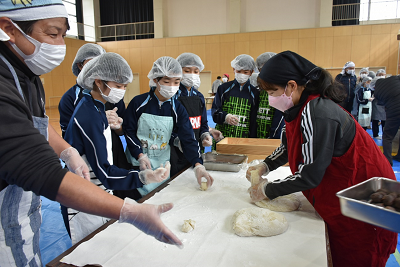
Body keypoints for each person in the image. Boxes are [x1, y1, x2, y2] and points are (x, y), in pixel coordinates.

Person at [0, 2, 181, 265]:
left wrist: (67, 150)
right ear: (9, 29)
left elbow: (37, 123)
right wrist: (134, 195)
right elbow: (92, 171)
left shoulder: (32, 79)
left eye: (63, 34)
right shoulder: (87, 113)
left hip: (41, 208)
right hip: (75, 205)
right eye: (52, 34)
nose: (60, 44)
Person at [247, 51, 397, 267]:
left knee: (357, 255)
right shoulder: (299, 107)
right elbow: (290, 144)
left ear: (291, 86)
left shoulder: (317, 113)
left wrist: (266, 190)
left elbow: (310, 174)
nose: (271, 98)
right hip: (339, 197)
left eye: (273, 91)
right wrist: (266, 165)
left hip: (361, 204)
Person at [64, 52, 171, 244]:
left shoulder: (97, 107)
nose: (121, 91)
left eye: (124, 86)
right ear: (98, 82)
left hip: (97, 190)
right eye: (117, 86)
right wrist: (143, 176)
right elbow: (104, 172)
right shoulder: (89, 115)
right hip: (83, 195)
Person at [123, 56, 214, 196]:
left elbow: (188, 138)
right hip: (136, 165)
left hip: (162, 167)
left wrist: (198, 165)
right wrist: (140, 155)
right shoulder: (138, 103)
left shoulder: (177, 109)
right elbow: (129, 131)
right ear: (155, 80)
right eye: (166, 81)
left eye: (176, 82)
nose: (171, 86)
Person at [171, 53, 222, 176]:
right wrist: (178, 141)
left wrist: (205, 134)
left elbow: (202, 122)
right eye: (187, 71)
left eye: (196, 71)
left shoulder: (198, 96)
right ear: (179, 71)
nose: (192, 75)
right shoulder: (173, 95)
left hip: (196, 147)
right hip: (176, 150)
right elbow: (168, 125)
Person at [212, 54, 259, 146]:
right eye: (239, 71)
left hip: (244, 138)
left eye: (245, 72)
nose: (242, 74)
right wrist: (226, 117)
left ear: (251, 72)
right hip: (223, 136)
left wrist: (252, 140)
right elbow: (215, 112)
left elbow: (254, 121)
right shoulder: (223, 89)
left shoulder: (254, 93)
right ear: (233, 69)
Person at [255, 52, 284, 139]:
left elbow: (280, 121)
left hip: (275, 138)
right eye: (260, 71)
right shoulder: (261, 89)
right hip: (260, 136)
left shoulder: (281, 90)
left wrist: (273, 137)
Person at [374, 76, 400, 165]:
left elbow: (381, 104)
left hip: (394, 112)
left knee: (387, 137)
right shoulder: (394, 78)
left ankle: (388, 161)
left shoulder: (377, 92)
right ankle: (399, 156)